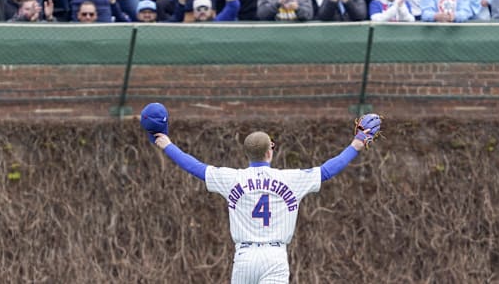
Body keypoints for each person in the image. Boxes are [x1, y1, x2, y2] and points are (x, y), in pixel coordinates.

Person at [139, 102, 382, 284]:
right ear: (269, 153)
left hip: (244, 258)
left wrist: (165, 143)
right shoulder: (290, 179)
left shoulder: (231, 178)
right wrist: (356, 144)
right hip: (274, 257)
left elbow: (194, 166)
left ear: (249, 154)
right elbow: (328, 170)